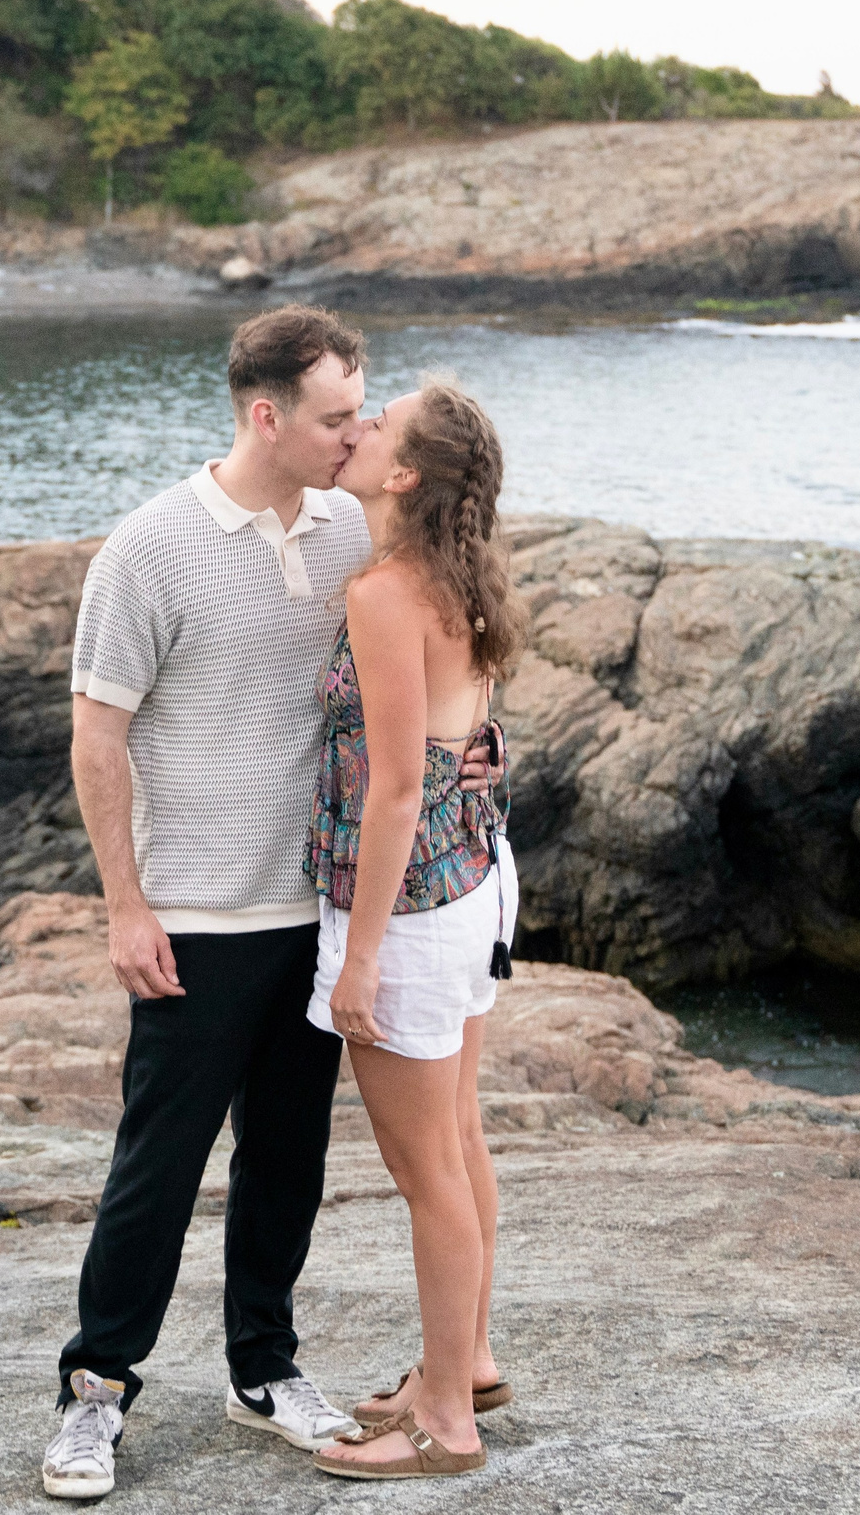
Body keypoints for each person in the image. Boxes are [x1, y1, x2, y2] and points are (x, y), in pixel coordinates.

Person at [41, 306, 489, 1501]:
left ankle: (265, 1368)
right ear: (266, 415)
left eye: (362, 413)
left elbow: (440, 636)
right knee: (158, 1166)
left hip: (318, 913)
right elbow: (97, 735)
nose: (353, 433)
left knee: (286, 1161)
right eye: (336, 416)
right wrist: (124, 904)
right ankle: (96, 1389)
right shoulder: (147, 550)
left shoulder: (354, 528)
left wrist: (473, 784)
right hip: (194, 916)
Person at [304, 379, 525, 1482]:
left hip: (413, 907)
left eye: (378, 422)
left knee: (426, 1167)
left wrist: (359, 957)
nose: (357, 428)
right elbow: (458, 740)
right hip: (473, 874)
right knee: (459, 1140)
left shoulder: (388, 592)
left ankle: (444, 1420)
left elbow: (394, 791)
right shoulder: (456, 574)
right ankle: (465, 1361)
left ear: (403, 475)